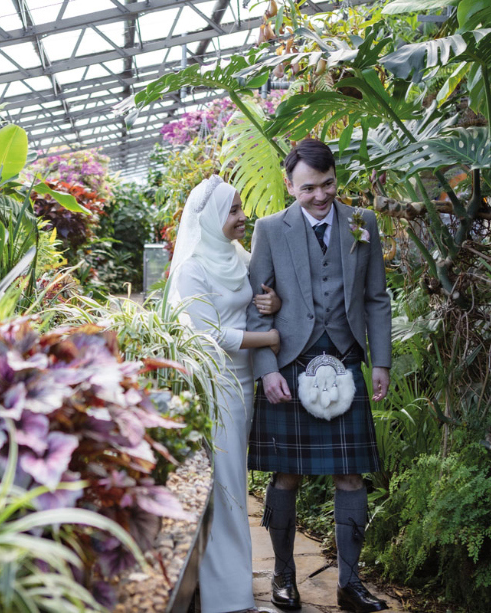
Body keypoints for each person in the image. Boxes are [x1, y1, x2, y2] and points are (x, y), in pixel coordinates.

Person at [245, 139, 392, 613]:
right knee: (286, 474)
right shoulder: (269, 229)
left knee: (351, 476)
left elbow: (376, 298)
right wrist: (266, 370)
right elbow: (256, 302)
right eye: (309, 188)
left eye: (328, 184)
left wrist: (382, 362)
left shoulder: (362, 223)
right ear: (290, 185)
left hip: (346, 358)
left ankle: (350, 584)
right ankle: (284, 577)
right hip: (289, 362)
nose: (321, 195)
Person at [169, 175, 281, 613]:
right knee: (226, 488)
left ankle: (228, 591)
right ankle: (225, 600)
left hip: (244, 387)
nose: (242, 216)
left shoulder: (236, 255)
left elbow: (260, 297)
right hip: (215, 388)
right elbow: (210, 335)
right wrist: (269, 337)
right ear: (214, 217)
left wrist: (270, 305)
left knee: (234, 485)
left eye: (240, 207)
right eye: (233, 210)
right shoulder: (191, 268)